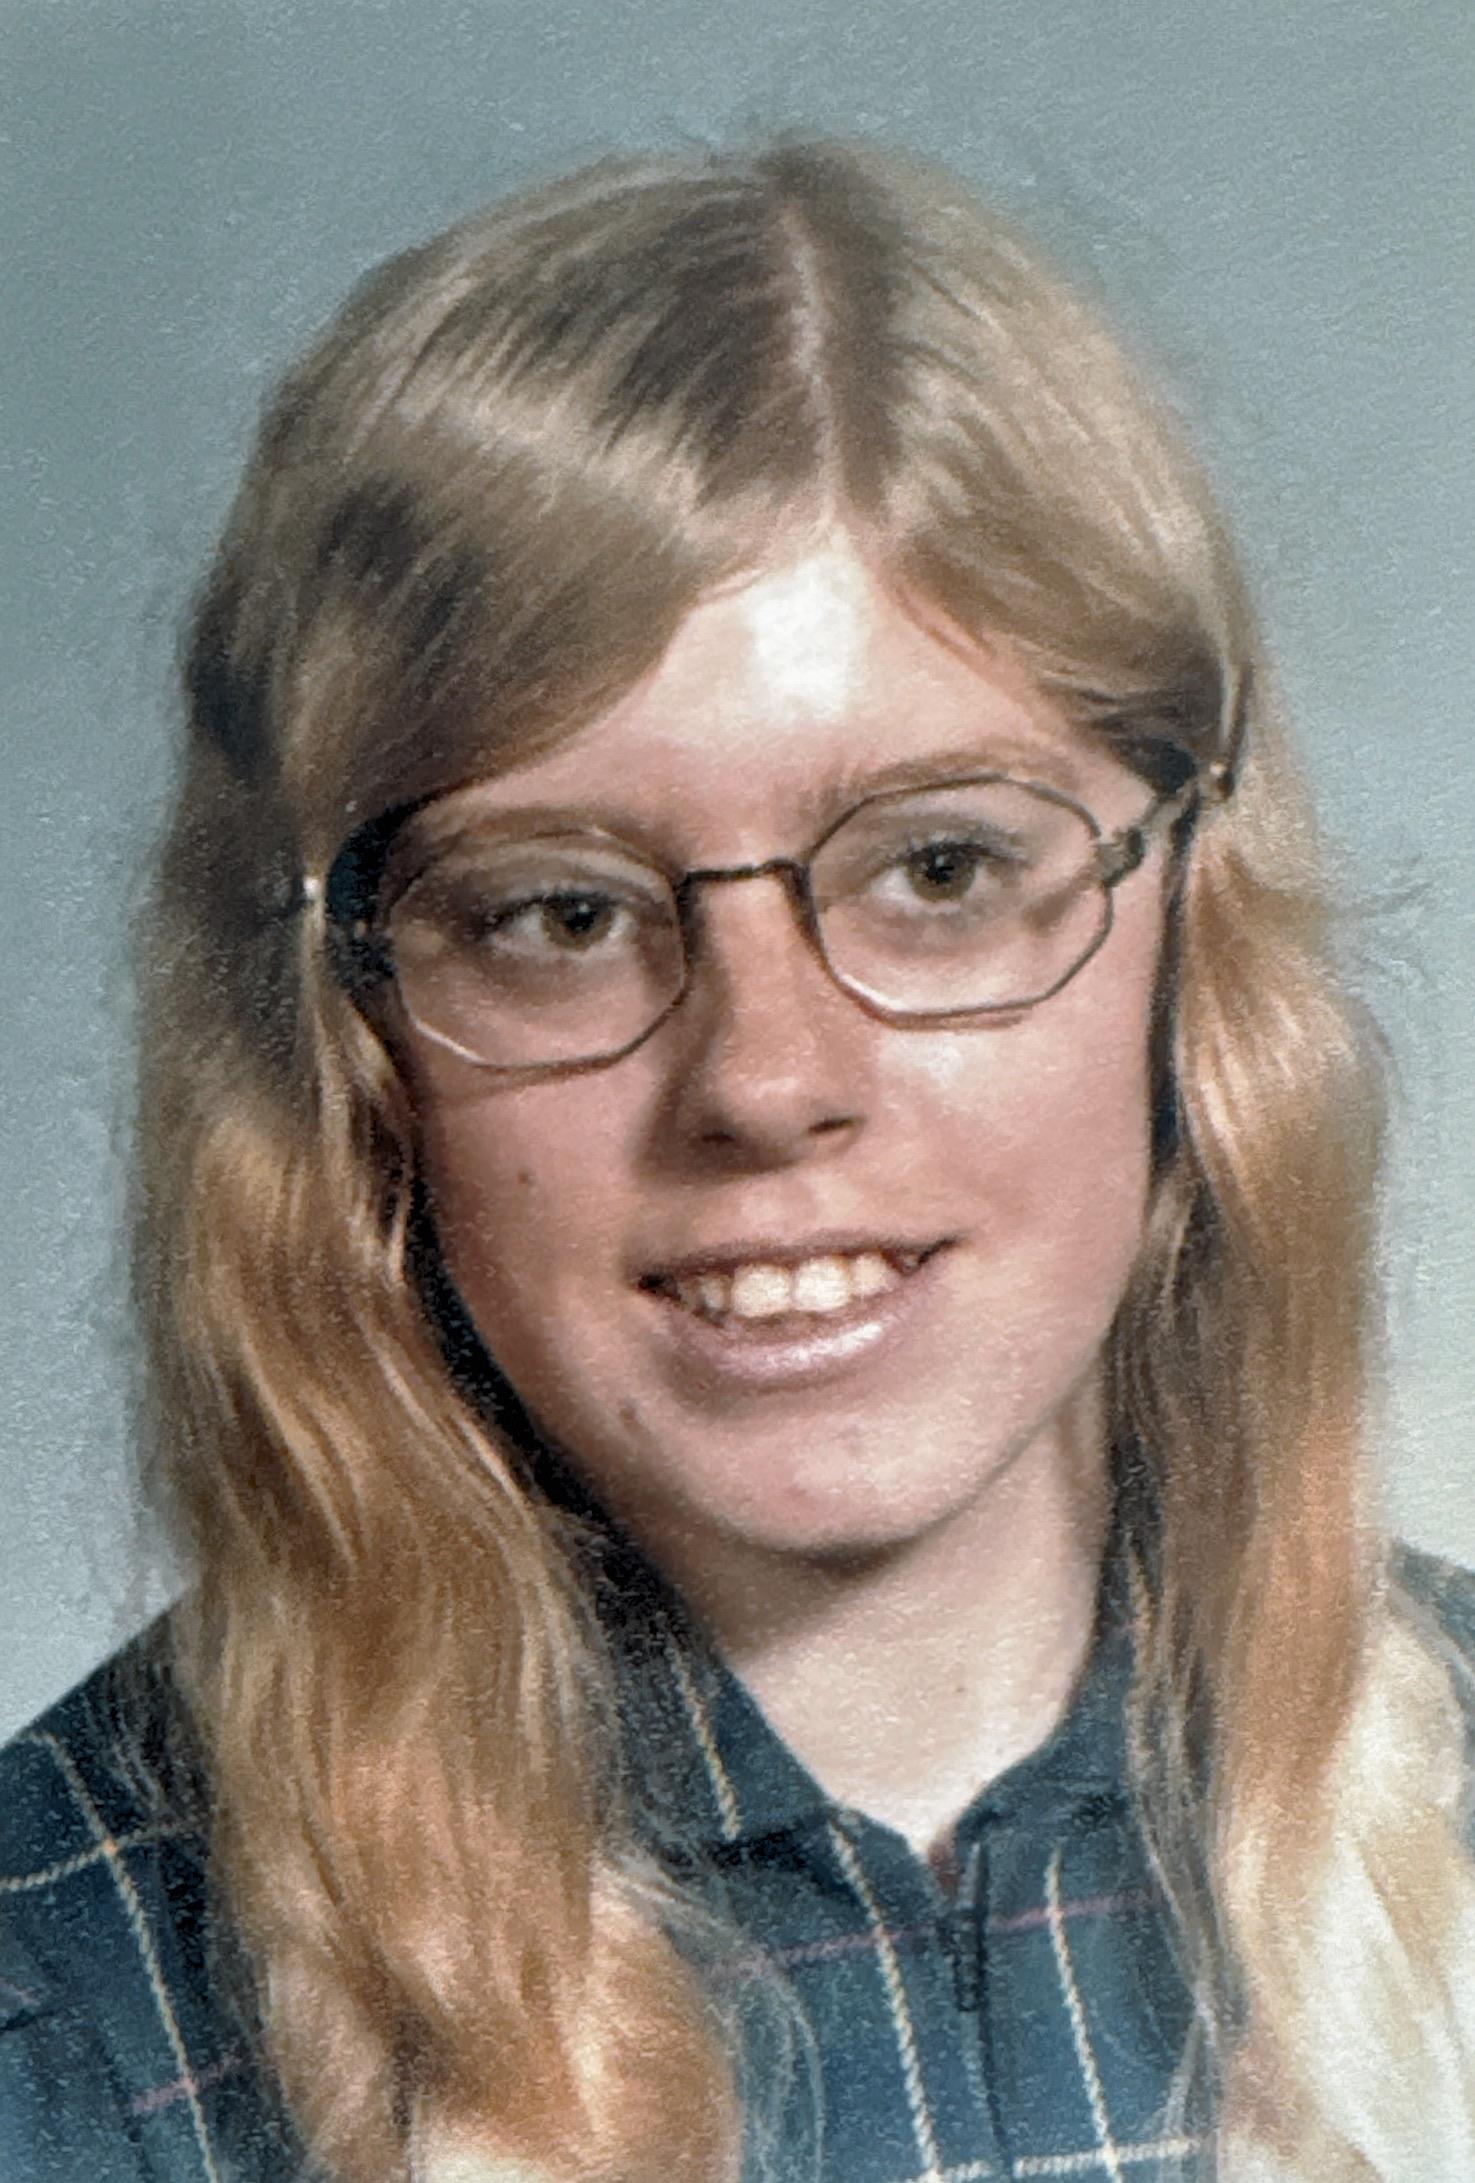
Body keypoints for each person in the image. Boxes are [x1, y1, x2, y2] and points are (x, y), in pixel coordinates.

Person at [1, 137, 1473, 2183]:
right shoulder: (64, 2023)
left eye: (943, 868)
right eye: (560, 914)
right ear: (343, 1042)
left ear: (1192, 935)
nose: (768, 1081)